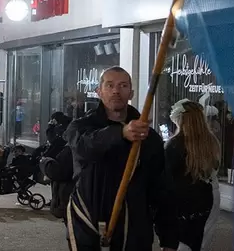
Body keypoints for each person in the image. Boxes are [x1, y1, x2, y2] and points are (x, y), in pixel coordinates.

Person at [66, 67, 177, 251]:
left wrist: (169, 240)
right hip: (88, 224)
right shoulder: (80, 127)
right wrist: (120, 133)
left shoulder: (149, 138)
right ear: (99, 92)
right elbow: (86, 147)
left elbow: (161, 190)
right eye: (109, 85)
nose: (116, 91)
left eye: (123, 85)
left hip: (134, 230)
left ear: (131, 92)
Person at [166, 100, 220, 251]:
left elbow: (165, 178)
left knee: (181, 244)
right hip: (209, 199)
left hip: (183, 205)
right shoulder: (212, 141)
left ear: (179, 120)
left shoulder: (173, 145)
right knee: (202, 242)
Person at [39, 112, 74, 220]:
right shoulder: (67, 125)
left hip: (59, 161)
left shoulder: (62, 129)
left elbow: (52, 139)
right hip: (60, 160)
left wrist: (50, 127)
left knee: (58, 182)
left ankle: (59, 205)